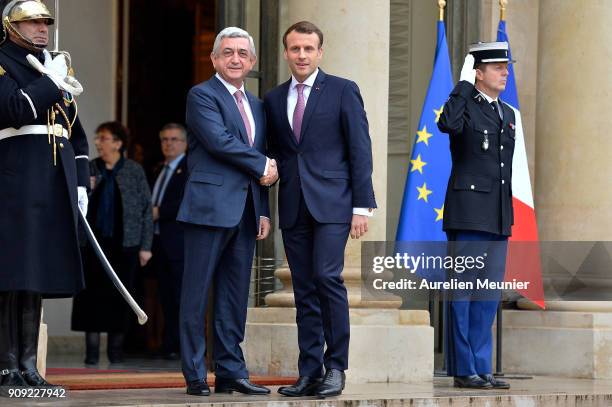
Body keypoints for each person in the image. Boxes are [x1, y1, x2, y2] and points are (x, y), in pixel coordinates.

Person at [263, 21, 376, 398]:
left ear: (320, 52)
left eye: (308, 48)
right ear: (285, 52)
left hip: (334, 204)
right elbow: (275, 154)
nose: (301, 55)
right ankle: (309, 372)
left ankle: (336, 367)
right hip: (294, 204)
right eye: (295, 49)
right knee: (304, 289)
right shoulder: (274, 99)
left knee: (328, 279)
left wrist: (363, 206)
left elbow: (360, 149)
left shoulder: (343, 90)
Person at [177, 27, 277, 396]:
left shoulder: (258, 106)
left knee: (234, 297)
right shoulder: (201, 95)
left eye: (242, 54)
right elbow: (219, 142)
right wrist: (265, 163)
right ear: (215, 59)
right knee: (196, 294)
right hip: (207, 209)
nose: (235, 59)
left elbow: (259, 160)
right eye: (228, 52)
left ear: (251, 62)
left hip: (247, 211)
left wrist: (263, 210)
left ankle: (231, 371)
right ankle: (194, 374)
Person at [0, 0, 88, 391]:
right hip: (15, 179)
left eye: (45, 22)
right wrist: (51, 83)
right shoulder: (4, 62)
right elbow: (15, 109)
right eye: (31, 22)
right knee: (10, 275)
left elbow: (75, 130)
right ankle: (6, 367)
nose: (41, 29)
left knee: (35, 274)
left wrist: (82, 181)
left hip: (53, 181)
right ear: (10, 26)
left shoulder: (54, 66)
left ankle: (28, 365)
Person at [437, 42, 515, 390]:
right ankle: (463, 368)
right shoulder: (464, 105)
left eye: (505, 67)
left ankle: (482, 366)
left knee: (487, 295)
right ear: (479, 72)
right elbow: (446, 125)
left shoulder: (507, 113)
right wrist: (464, 84)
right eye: (497, 67)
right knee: (464, 293)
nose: (504, 72)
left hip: (498, 215)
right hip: (468, 215)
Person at [71, 121, 153, 365]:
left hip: (124, 246)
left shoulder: (133, 170)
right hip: (91, 247)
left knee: (121, 299)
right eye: (97, 138)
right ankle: (91, 355)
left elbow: (146, 210)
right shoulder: (87, 167)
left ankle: (116, 356)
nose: (98, 142)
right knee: (90, 301)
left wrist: (146, 246)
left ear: (118, 143)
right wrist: (89, 189)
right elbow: (76, 205)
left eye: (103, 138)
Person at [151, 123, 188, 360]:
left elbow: (186, 202)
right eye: (164, 139)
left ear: (184, 143)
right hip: (159, 243)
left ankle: (181, 346)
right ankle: (168, 344)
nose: (169, 144)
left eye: (174, 139)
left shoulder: (189, 169)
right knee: (164, 296)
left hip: (179, 244)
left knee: (180, 297)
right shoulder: (158, 169)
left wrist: (159, 212)